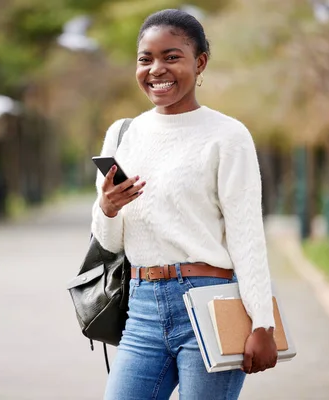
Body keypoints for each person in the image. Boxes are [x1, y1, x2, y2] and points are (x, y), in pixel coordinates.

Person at [91, 8, 278, 400]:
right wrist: (108, 208)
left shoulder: (227, 135)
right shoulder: (123, 134)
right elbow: (109, 243)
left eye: (171, 57)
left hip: (211, 300)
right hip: (141, 305)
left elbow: (246, 234)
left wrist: (262, 323)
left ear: (200, 62)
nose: (156, 69)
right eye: (146, 59)